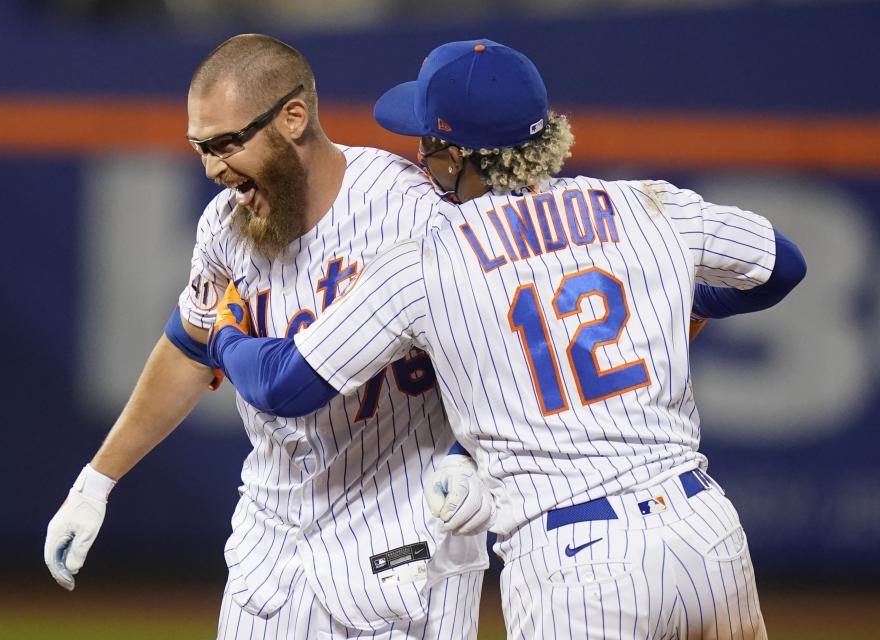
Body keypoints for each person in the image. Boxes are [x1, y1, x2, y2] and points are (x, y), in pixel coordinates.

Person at [205, 39, 807, 639]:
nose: (420, 154)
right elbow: (782, 266)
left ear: (456, 155)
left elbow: (281, 385)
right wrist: (679, 308)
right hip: (705, 531)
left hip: (578, 560)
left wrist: (227, 329)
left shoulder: (427, 262)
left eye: (429, 142)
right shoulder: (642, 205)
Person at [43, 34, 488, 639]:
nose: (211, 167)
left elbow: (496, 364)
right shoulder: (224, 226)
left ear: (294, 117)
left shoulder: (413, 215)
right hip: (270, 553)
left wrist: (468, 458)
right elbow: (186, 349)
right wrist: (95, 482)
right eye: (200, 147)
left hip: (403, 547)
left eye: (227, 143)